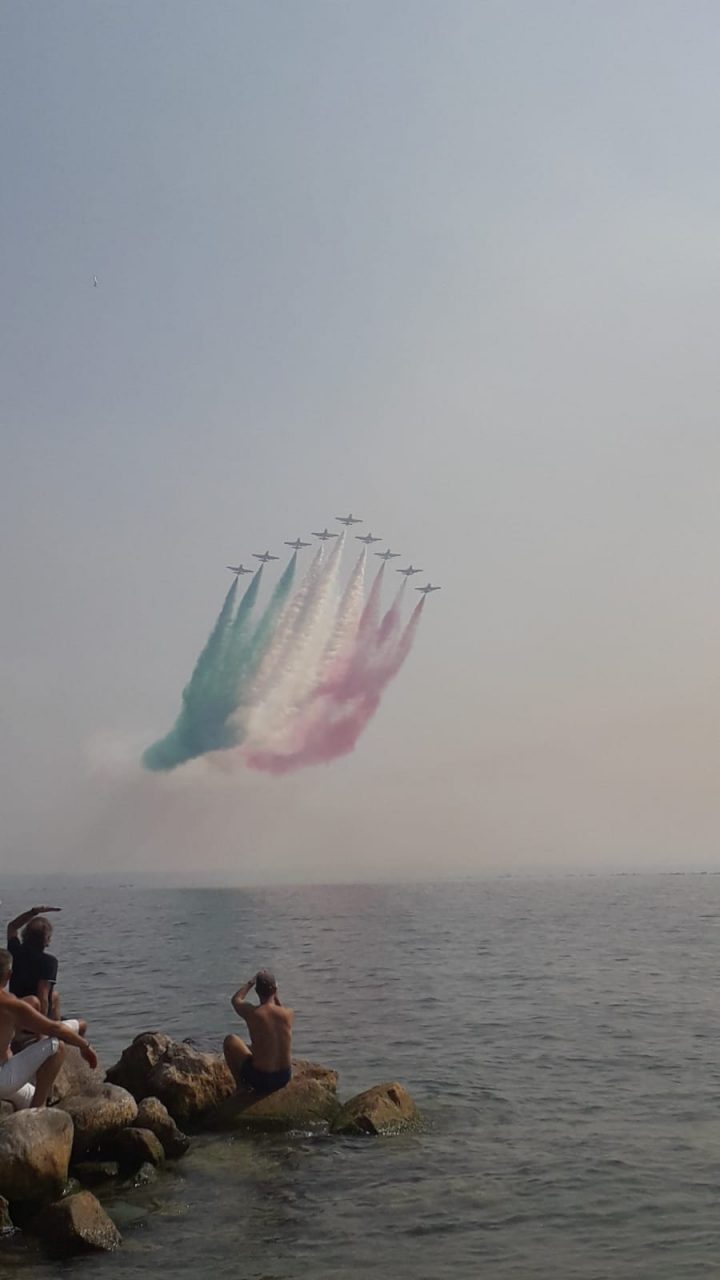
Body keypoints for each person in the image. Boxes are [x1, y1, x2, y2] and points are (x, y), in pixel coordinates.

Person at [0, 947, 97, 1109]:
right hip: (3, 1079)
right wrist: (84, 1046)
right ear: (9, 975)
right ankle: (39, 1110)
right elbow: (55, 1029)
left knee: (28, 1096)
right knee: (57, 1046)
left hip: (5, 1074)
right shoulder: (10, 1003)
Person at [223, 970, 293, 1096]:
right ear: (275, 990)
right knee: (258, 1045)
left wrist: (251, 982)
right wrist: (275, 993)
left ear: (256, 992)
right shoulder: (288, 1014)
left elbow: (236, 999)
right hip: (284, 1077)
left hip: (262, 1080)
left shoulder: (252, 1013)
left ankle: (241, 1086)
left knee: (230, 1040)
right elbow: (279, 1008)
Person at [6, 904, 62, 1018]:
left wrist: (33, 912)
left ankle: (55, 1027)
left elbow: (12, 927)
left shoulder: (15, 950)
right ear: (46, 940)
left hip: (16, 1008)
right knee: (81, 1024)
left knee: (55, 996)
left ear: (25, 934)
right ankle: (54, 1032)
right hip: (33, 1017)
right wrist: (41, 1030)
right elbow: (43, 997)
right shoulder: (49, 962)